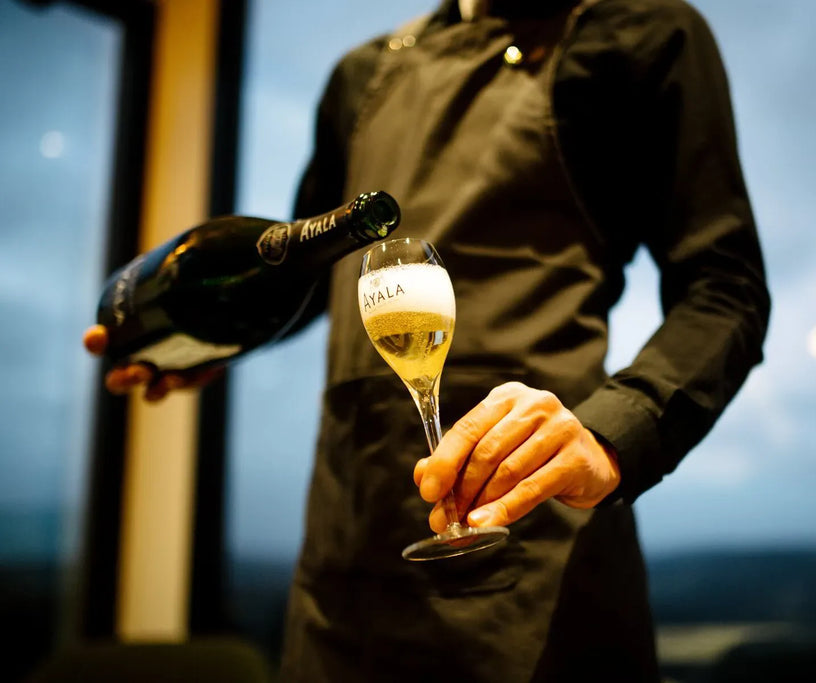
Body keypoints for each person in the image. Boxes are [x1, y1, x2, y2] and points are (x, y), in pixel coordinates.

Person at [85, 0, 770, 679]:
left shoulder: (643, 36)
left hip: (531, 551)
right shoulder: (362, 74)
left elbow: (726, 287)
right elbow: (303, 273)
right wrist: (211, 339)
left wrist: (613, 429)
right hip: (341, 561)